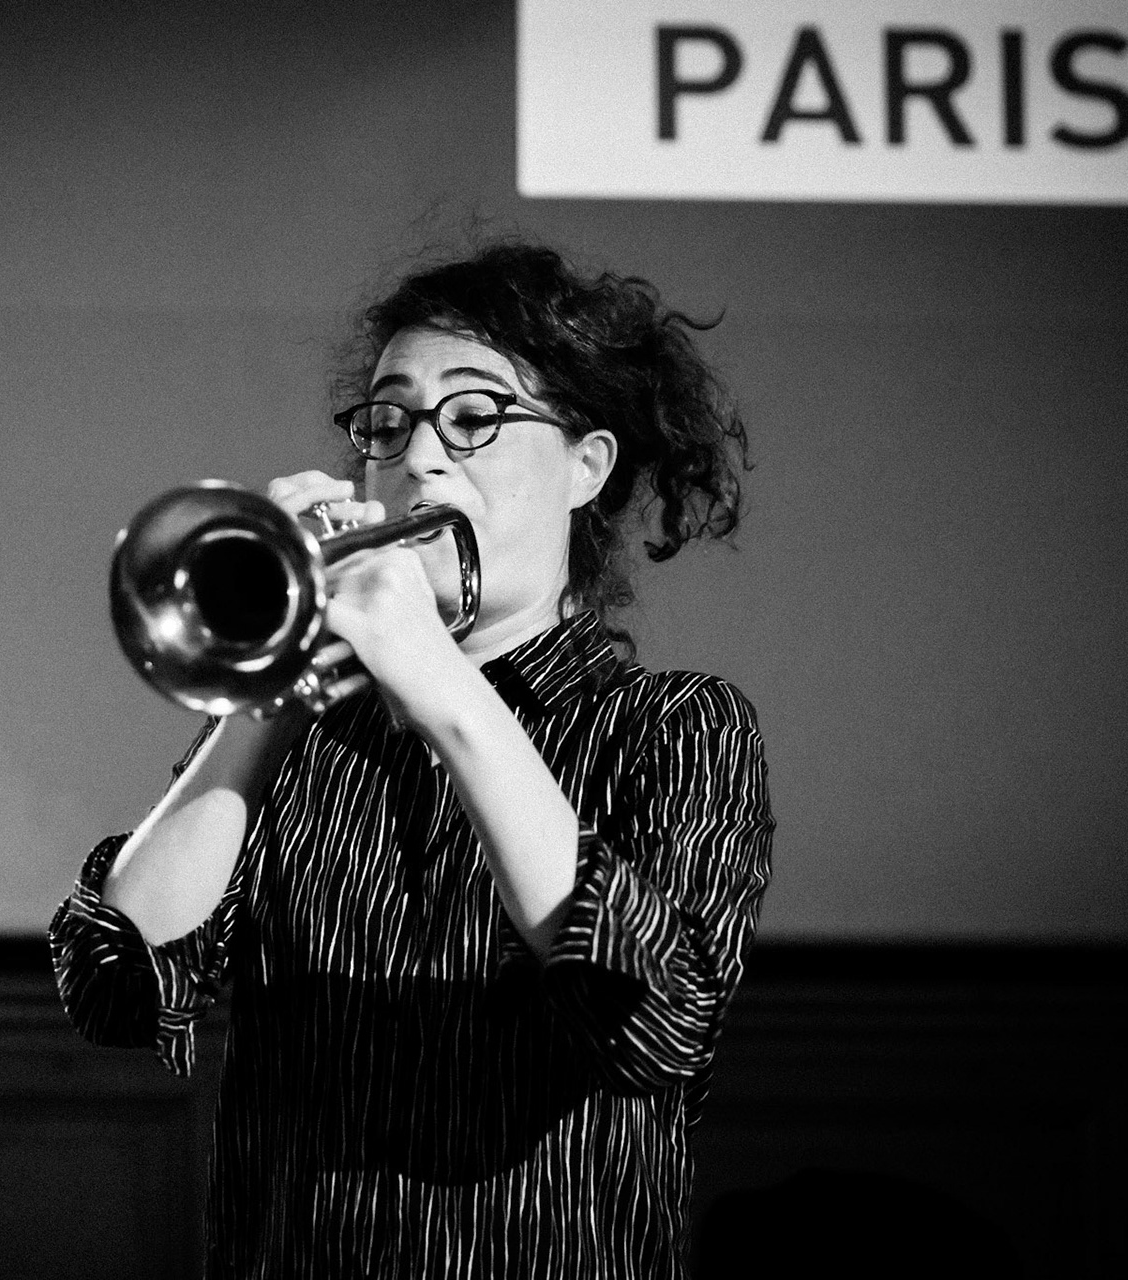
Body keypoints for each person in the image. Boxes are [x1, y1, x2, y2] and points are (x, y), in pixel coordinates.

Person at [50, 240, 774, 1279]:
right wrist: (266, 690)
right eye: (388, 422)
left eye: (474, 418)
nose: (420, 458)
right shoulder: (303, 738)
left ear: (588, 463)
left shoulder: (677, 725)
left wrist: (442, 683)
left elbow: (655, 1021)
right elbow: (116, 989)